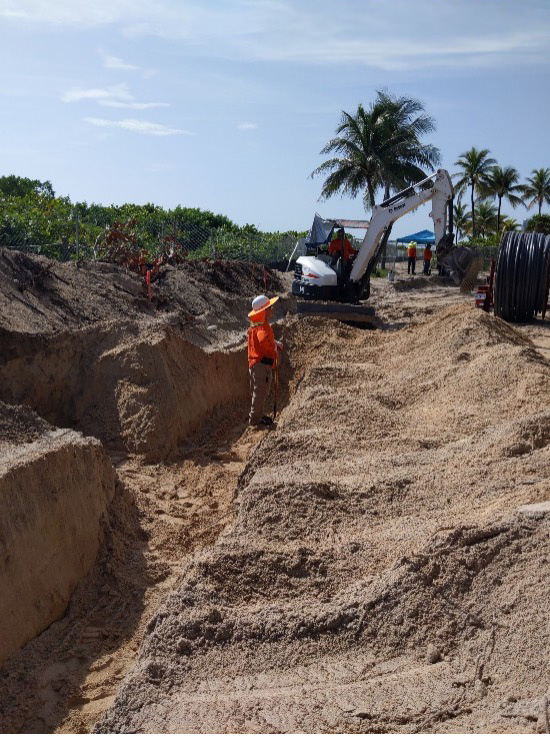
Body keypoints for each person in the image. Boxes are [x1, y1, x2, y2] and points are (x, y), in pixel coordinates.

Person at [247, 294, 283, 427]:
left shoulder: (258, 325)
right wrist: (273, 346)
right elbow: (263, 341)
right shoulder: (261, 327)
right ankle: (255, 421)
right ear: (263, 311)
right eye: (270, 308)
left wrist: (274, 342)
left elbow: (264, 340)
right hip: (260, 365)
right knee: (260, 392)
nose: (272, 310)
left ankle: (258, 416)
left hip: (259, 364)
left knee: (260, 392)